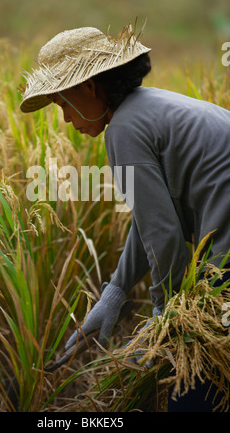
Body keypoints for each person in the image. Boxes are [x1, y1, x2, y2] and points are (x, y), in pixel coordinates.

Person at [19, 23, 230, 411]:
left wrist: (165, 315)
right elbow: (151, 219)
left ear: (90, 88)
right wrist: (115, 292)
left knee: (192, 392)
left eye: (63, 103)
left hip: (226, 266)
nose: (65, 119)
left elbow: (164, 236)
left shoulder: (125, 130)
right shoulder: (151, 106)